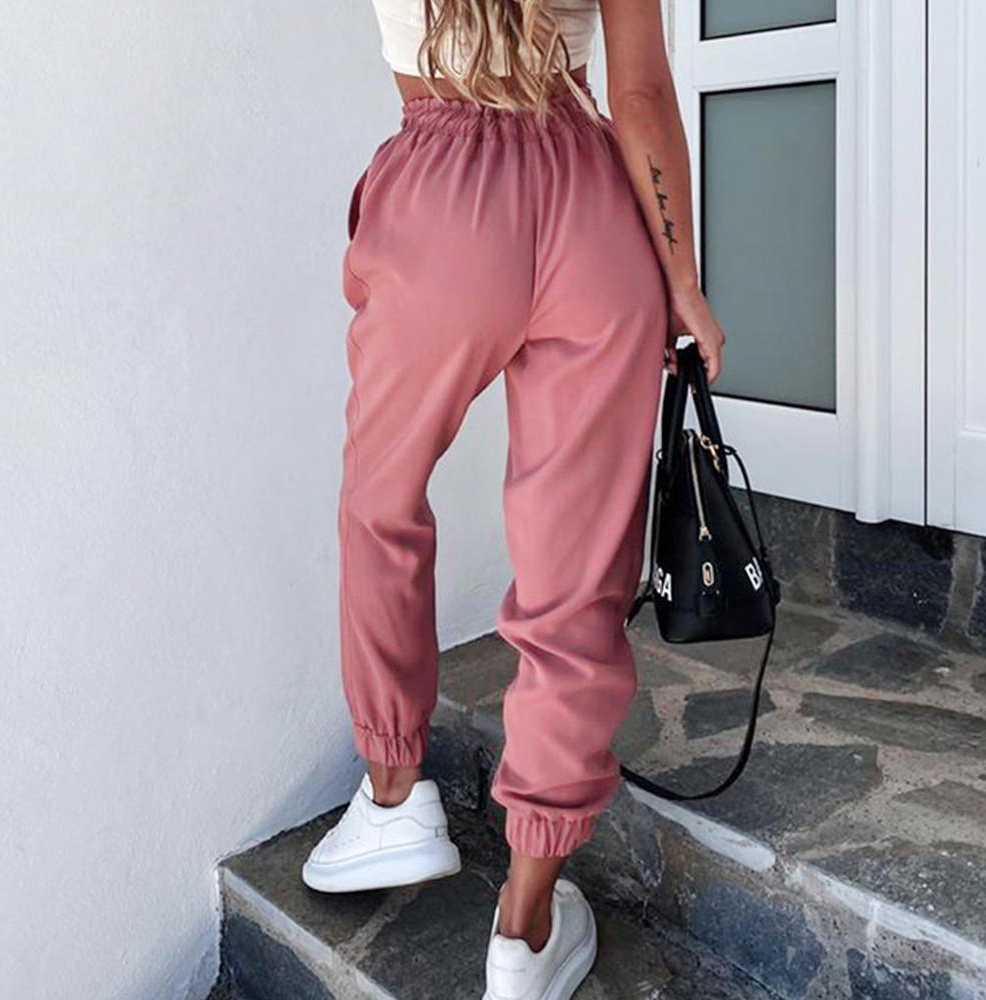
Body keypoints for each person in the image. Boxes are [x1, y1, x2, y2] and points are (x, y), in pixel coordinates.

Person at [303, 1, 726, 996]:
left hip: (442, 199)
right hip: (591, 209)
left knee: (381, 502)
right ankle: (524, 928)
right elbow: (639, 94)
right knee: (577, 576)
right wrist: (682, 281)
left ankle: (395, 794)